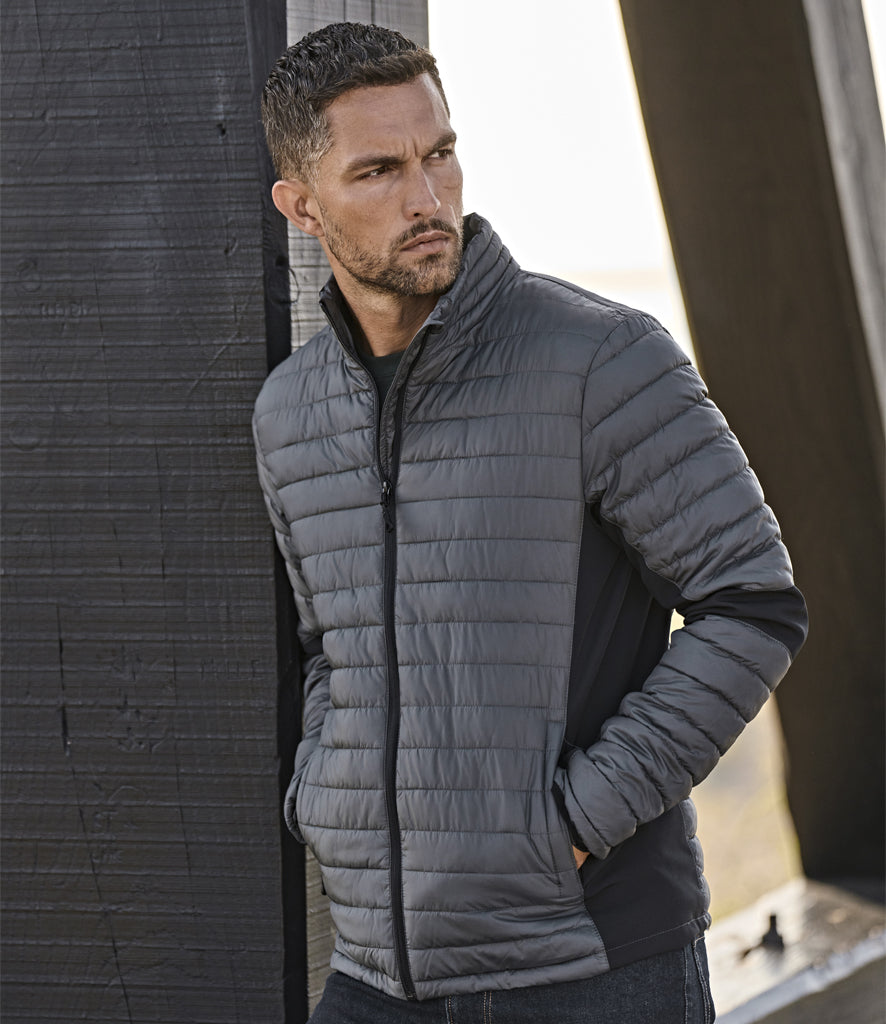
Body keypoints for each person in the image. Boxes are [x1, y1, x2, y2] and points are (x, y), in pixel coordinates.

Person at [254, 22, 808, 1023]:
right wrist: (326, 801)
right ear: (301, 206)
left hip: (592, 966)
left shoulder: (601, 358)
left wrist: (576, 821)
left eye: (439, 154)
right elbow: (329, 644)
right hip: (379, 974)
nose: (426, 199)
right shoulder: (290, 414)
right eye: (379, 171)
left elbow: (751, 605)